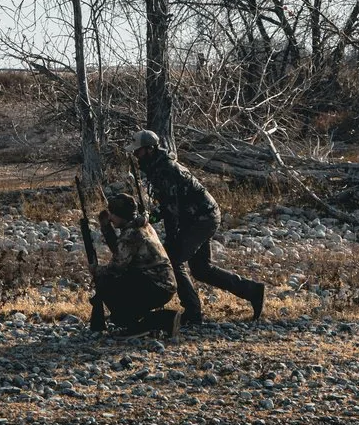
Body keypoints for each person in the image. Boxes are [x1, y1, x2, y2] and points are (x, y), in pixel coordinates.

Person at [133, 129, 266, 323]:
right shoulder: (158, 167)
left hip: (202, 218)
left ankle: (193, 312)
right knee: (201, 269)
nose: (135, 155)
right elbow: (167, 206)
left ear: (149, 150)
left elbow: (171, 212)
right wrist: (149, 219)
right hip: (199, 217)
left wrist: (170, 240)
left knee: (173, 259)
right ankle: (253, 291)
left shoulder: (165, 170)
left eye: (138, 151)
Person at [90, 189, 181, 336]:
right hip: (163, 284)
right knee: (118, 287)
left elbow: (117, 267)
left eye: (112, 214)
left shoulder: (130, 234)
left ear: (120, 215)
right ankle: (151, 320)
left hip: (154, 286)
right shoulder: (143, 225)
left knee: (107, 282)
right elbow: (121, 252)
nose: (111, 218)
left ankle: (156, 321)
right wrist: (106, 228)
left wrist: (96, 270)